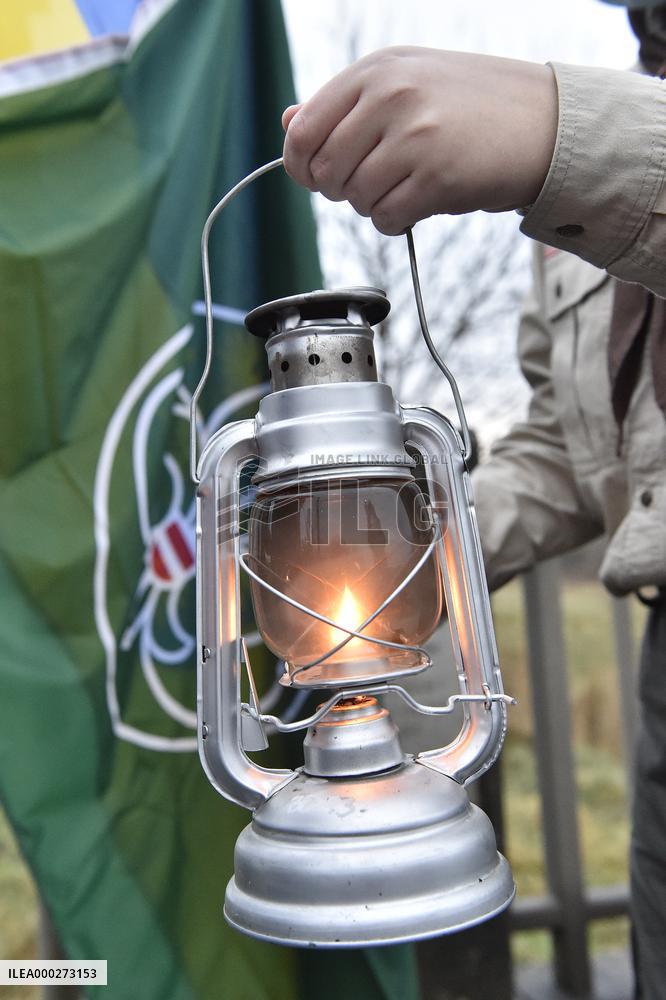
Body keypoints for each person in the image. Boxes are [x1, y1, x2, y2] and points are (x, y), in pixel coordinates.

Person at [281, 3, 666, 997]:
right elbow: (570, 450)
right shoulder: (572, 207)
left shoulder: (571, 142)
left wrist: (554, 131)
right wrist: (403, 552)